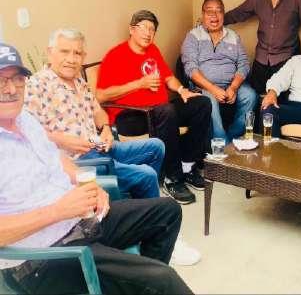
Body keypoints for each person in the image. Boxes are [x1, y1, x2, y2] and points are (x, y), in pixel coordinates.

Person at [0, 42, 192, 295]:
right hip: (44, 258)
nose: (11, 89)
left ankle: (140, 283)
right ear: (50, 53)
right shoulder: (40, 90)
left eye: (17, 79)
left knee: (167, 211)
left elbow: (55, 156)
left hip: (80, 221)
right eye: (1, 81)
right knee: (164, 280)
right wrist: (57, 211)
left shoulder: (25, 119)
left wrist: (89, 185)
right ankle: (147, 282)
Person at [24, 30, 164, 200]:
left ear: (83, 56)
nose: (71, 59)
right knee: (147, 175)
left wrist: (105, 128)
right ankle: (137, 205)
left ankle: (133, 202)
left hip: (100, 146)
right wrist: (62, 140)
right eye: (64, 52)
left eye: (77, 53)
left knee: (157, 147)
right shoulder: (36, 85)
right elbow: (26, 132)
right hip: (78, 162)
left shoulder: (79, 81)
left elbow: (98, 111)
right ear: (50, 52)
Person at [96, 10, 212, 205]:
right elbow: (100, 95)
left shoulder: (153, 50)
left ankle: (187, 165)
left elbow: (168, 77)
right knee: (166, 110)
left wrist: (182, 90)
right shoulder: (116, 55)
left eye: (152, 29)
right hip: (131, 116)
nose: (148, 33)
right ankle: (172, 178)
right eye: (144, 27)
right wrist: (139, 84)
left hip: (160, 110)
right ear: (132, 29)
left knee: (201, 103)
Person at [181, 0, 257, 143]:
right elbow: (190, 68)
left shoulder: (233, 36)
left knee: (250, 95)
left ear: (223, 14)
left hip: (230, 85)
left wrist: (233, 87)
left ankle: (233, 136)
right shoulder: (193, 36)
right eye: (209, 11)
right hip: (203, 87)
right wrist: (213, 89)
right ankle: (221, 143)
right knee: (209, 100)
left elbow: (243, 64)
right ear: (203, 15)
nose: (214, 16)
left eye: (219, 11)